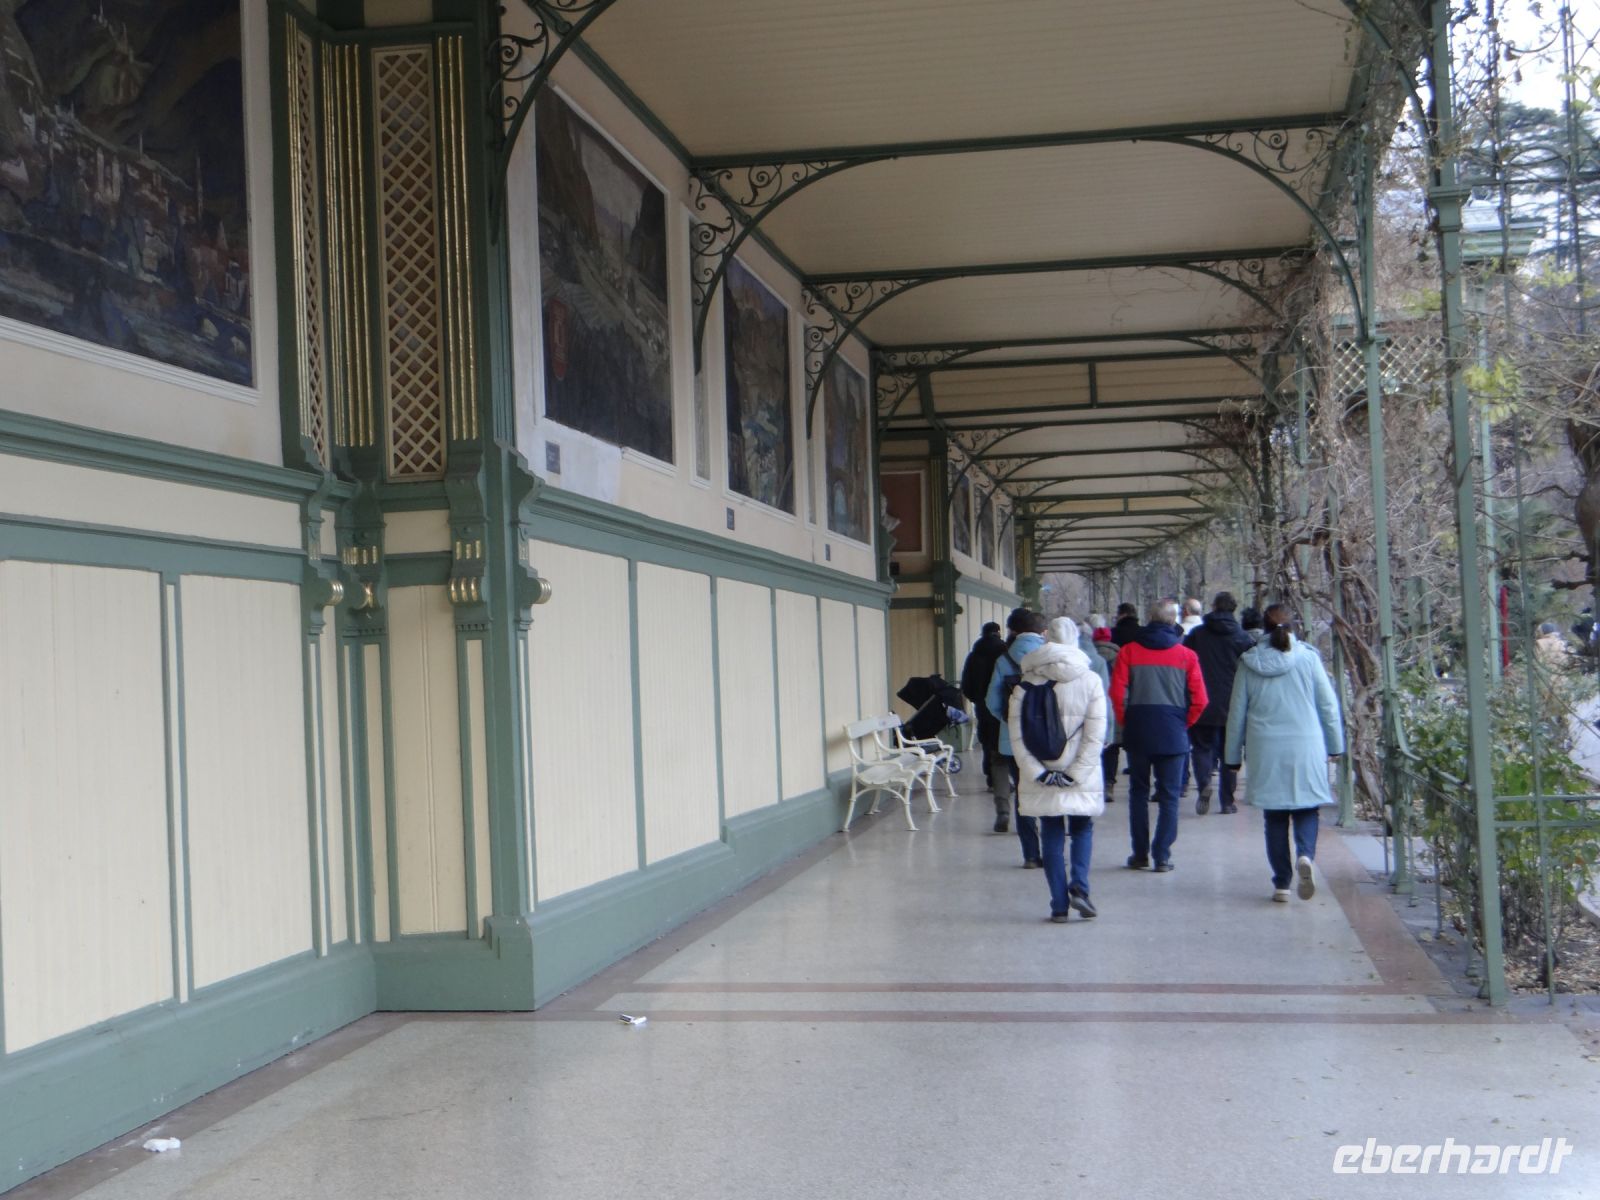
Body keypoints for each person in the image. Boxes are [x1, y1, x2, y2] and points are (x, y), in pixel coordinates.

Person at [1223, 604, 1345, 903]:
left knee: (1275, 817)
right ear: (1294, 626)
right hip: (1306, 744)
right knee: (1306, 808)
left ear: (1263, 627)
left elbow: (1236, 714)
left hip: (1266, 748)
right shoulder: (1309, 659)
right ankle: (1305, 855)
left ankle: (1281, 883)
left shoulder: (1249, 662)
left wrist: (1231, 757)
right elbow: (1328, 706)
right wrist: (1336, 746)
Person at [1007, 618, 1107, 922]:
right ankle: (1080, 888)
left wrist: (1037, 771)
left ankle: (1059, 905)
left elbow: (1017, 735)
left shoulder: (1025, 683)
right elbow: (1095, 735)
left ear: (1046, 640)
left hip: (1043, 771)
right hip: (1080, 773)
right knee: (1081, 829)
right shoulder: (1090, 680)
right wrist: (1076, 773)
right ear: (1075, 640)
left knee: (1051, 832)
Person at [1109, 600, 1206, 872]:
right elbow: (1200, 700)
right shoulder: (1187, 656)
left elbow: (1117, 694)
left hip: (1138, 730)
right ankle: (1161, 855)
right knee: (1169, 796)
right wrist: (1182, 723)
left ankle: (1139, 853)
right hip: (1173, 733)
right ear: (1174, 621)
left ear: (1148, 619)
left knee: (1138, 793)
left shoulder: (1128, 652)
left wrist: (1127, 720)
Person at [986, 609, 1049, 864]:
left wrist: (1010, 719)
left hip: (1013, 740)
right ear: (1042, 632)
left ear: (1013, 631)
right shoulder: (1049, 657)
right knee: (1045, 791)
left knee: (1023, 794)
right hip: (1047, 739)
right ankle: (1052, 849)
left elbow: (992, 700)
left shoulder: (1004, 660)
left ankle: (1031, 855)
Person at [1183, 591, 1255, 815]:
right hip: (1233, 703)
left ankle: (1204, 782)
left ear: (1213, 607)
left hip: (1201, 700)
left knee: (1202, 748)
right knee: (1230, 752)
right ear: (1234, 608)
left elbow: (1185, 664)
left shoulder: (1197, 635)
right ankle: (1227, 800)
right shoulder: (1243, 638)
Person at [960, 621, 1010, 829]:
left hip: (982, 704)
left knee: (988, 741)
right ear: (999, 633)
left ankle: (991, 779)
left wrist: (976, 699)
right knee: (1003, 742)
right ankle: (1008, 783)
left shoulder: (974, 654)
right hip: (1004, 705)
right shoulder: (1005, 653)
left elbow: (966, 683)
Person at [1091, 627, 1122, 799]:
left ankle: (1096, 782)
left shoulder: (1088, 656)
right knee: (1113, 747)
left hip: (1092, 705)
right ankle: (1109, 783)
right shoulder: (1119, 656)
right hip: (1112, 703)